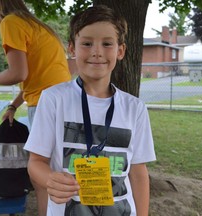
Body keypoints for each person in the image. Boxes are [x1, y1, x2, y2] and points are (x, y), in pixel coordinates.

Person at [24, 5, 156, 216]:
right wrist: (49, 179)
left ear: (120, 51)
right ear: (72, 49)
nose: (97, 52)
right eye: (87, 43)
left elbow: (138, 172)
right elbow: (36, 162)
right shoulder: (53, 99)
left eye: (107, 44)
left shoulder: (135, 108)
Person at [0, 1, 71, 215]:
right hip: (63, 102)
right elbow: (37, 77)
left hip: (46, 107)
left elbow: (18, 73)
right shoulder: (35, 24)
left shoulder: (10, 22)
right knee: (57, 170)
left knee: (41, 175)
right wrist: (13, 106)